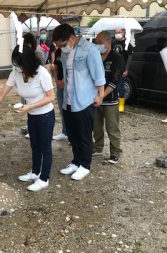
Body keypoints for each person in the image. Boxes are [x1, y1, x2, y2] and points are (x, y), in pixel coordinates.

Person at [0, 45, 55, 192]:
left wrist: (30, 106)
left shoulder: (42, 73)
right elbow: (2, 92)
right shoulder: (16, 72)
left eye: (18, 64)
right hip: (32, 115)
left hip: (45, 115)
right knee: (34, 145)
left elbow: (51, 97)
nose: (16, 67)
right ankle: (35, 172)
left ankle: (44, 178)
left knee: (45, 147)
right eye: (15, 64)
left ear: (27, 63)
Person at [52, 23, 105, 181]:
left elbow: (99, 75)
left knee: (84, 135)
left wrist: (100, 95)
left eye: (61, 44)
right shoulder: (65, 52)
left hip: (84, 101)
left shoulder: (90, 50)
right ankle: (76, 161)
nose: (60, 48)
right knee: (73, 135)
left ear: (70, 38)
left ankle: (85, 165)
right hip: (68, 100)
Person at [93, 31, 125, 164]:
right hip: (95, 100)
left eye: (100, 43)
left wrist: (102, 95)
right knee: (96, 126)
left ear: (108, 42)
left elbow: (115, 80)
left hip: (110, 99)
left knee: (112, 127)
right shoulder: (96, 57)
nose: (99, 46)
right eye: (97, 44)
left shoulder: (117, 58)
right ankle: (98, 147)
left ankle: (115, 152)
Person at [113, 28, 133, 112]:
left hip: (122, 69)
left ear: (124, 32)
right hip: (113, 68)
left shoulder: (128, 44)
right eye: (116, 32)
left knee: (121, 87)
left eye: (119, 32)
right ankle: (114, 103)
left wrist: (126, 69)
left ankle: (121, 105)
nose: (117, 34)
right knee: (113, 86)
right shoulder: (113, 43)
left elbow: (130, 57)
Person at [52, 47, 69, 142]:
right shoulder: (58, 52)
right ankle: (64, 132)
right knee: (62, 110)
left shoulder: (70, 51)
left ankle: (72, 134)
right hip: (59, 86)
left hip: (69, 86)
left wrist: (64, 81)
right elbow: (56, 68)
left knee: (70, 110)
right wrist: (57, 81)